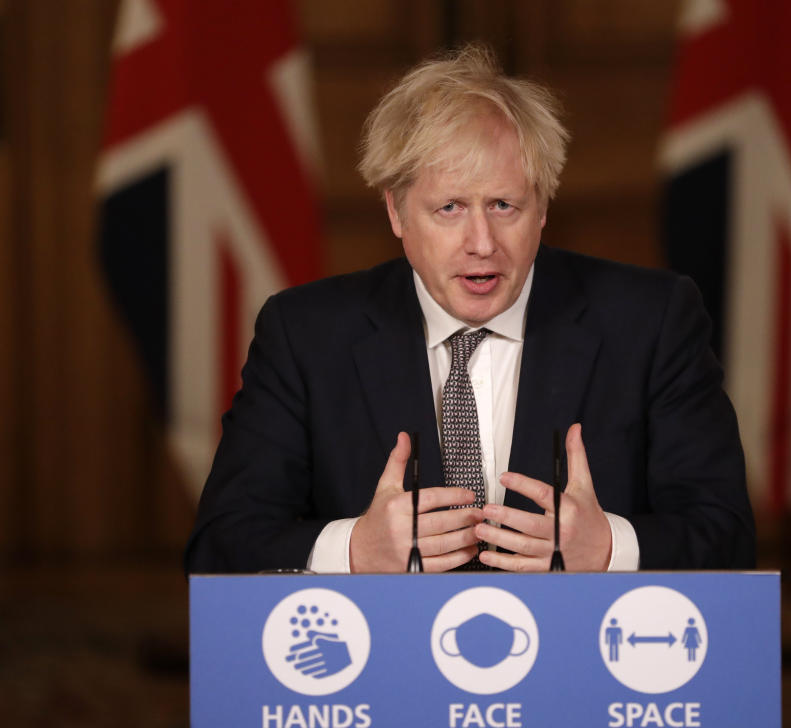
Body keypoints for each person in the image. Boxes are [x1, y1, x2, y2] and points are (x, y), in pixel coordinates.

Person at [185, 44, 755, 574]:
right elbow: (220, 546)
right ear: (397, 213)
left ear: (542, 208)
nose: (482, 242)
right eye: (450, 207)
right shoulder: (304, 336)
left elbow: (728, 537)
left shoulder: (652, 322)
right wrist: (353, 550)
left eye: (504, 205)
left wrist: (610, 549)